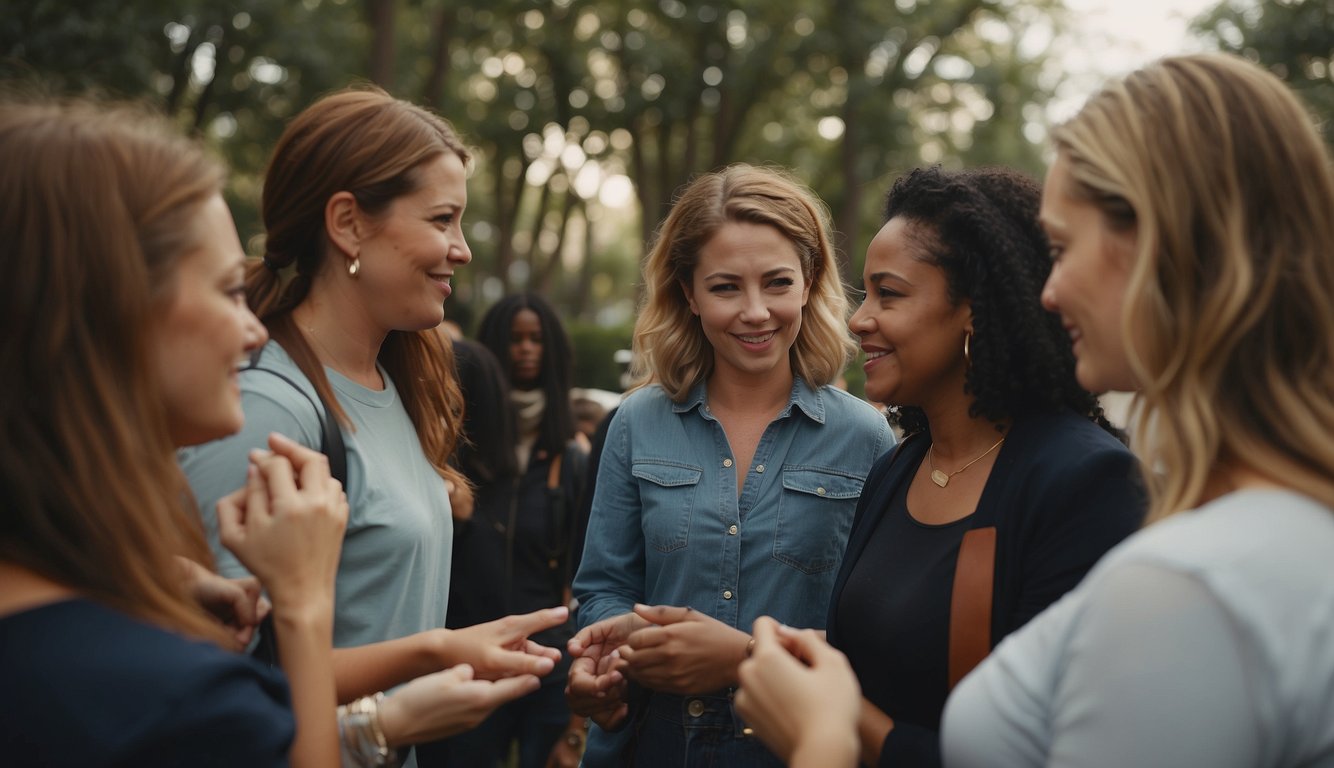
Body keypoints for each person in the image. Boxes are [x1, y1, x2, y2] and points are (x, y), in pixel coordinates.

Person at [941, 52, 1334, 767]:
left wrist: (823, 740)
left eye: (1061, 248)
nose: (1048, 293)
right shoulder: (1280, 522)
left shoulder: (1190, 592)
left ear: (1159, 241)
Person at [178, 87, 568, 767]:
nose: (463, 250)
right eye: (444, 219)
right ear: (348, 223)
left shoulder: (398, 380)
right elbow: (219, 674)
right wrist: (422, 668)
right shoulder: (270, 408)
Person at [0, 100, 346, 766]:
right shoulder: (173, 706)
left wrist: (139, 581)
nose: (254, 330)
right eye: (226, 290)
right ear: (113, 310)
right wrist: (303, 603)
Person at [567, 164, 895, 766]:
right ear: (688, 293)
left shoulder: (866, 437)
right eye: (724, 287)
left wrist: (743, 654)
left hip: (792, 747)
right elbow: (604, 589)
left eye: (776, 283)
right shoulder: (635, 424)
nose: (754, 312)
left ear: (809, 281)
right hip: (652, 743)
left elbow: (874, 632)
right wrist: (610, 656)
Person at [822, 166, 1143, 767]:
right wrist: (746, 654)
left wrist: (842, 719)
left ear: (974, 310)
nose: (860, 320)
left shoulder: (1086, 483)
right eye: (865, 295)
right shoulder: (896, 469)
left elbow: (1041, 749)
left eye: (888, 294)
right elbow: (878, 657)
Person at [435, 294, 589, 767]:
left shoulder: (571, 458)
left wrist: (578, 724)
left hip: (547, 664)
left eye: (537, 339)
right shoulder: (454, 452)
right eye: (515, 339)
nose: (525, 350)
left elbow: (587, 578)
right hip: (466, 658)